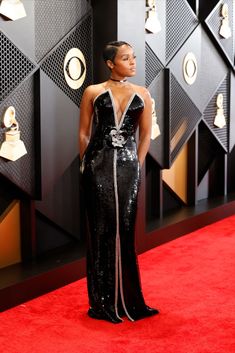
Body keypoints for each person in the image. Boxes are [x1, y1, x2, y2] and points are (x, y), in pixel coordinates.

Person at [79, 41, 159, 323]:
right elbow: (84, 133)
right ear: (111, 63)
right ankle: (102, 303)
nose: (133, 62)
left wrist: (136, 163)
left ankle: (130, 301)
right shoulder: (93, 91)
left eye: (133, 57)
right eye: (126, 58)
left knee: (124, 228)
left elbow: (146, 134)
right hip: (97, 165)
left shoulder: (143, 93)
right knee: (100, 230)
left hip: (128, 168)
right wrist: (84, 163)